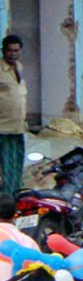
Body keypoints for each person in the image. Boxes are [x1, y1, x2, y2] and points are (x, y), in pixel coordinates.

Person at [0, 35, 26, 196]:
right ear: (3, 51)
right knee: (6, 169)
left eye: (16, 50)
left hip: (18, 128)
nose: (13, 54)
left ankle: (16, 199)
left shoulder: (19, 68)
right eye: (9, 50)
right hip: (3, 129)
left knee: (17, 167)